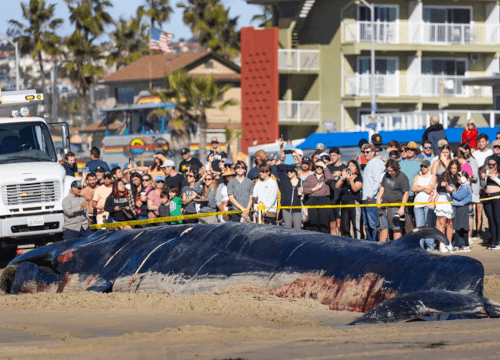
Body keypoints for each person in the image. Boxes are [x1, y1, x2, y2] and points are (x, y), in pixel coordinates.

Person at [376, 159, 410, 242]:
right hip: (385, 206)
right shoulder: (386, 175)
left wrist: (402, 207)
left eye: (391, 171)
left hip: (396, 207)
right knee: (383, 228)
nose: (390, 172)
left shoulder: (402, 177)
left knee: (397, 229)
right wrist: (378, 198)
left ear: (396, 169)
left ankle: (397, 249)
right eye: (388, 170)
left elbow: (406, 193)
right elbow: (382, 187)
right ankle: (381, 248)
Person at [303, 160, 335, 234]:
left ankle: (325, 242)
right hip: (312, 200)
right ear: (314, 167)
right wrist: (314, 189)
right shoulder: (310, 177)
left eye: (321, 167)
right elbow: (304, 190)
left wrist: (324, 166)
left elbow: (331, 178)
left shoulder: (326, 176)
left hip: (324, 199)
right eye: (317, 166)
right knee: (314, 224)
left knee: (324, 224)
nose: (319, 168)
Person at [361, 144, 385, 241]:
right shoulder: (369, 163)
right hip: (365, 198)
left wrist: (371, 195)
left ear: (373, 152)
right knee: (367, 224)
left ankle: (375, 244)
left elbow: (377, 181)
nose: (365, 154)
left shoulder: (377, 163)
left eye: (367, 152)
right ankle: (370, 244)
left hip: (372, 199)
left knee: (373, 224)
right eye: (364, 152)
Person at [435, 159, 459, 252]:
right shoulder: (444, 175)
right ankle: (442, 244)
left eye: (455, 168)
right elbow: (438, 188)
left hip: (452, 199)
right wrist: (442, 184)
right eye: (452, 168)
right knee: (442, 222)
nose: (453, 170)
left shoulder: (458, 177)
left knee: (450, 223)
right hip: (443, 198)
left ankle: (448, 243)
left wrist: (455, 188)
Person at [412, 160, 437, 250]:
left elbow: (430, 189)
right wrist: (424, 187)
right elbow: (413, 188)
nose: (423, 168)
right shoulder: (417, 177)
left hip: (428, 203)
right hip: (418, 203)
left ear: (429, 167)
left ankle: (430, 246)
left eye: (425, 166)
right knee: (420, 227)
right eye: (422, 166)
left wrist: (420, 188)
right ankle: (421, 247)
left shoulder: (432, 177)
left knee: (429, 225)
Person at [335, 160, 363, 238]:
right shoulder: (345, 179)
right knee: (345, 226)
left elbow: (355, 189)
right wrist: (342, 178)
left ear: (356, 169)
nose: (350, 167)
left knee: (356, 226)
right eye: (349, 166)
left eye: (353, 166)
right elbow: (337, 186)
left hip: (354, 203)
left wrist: (350, 180)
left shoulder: (358, 178)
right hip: (344, 204)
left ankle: (359, 242)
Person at [449, 171, 472, 252]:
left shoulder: (466, 186)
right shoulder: (463, 186)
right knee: (459, 226)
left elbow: (459, 196)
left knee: (461, 227)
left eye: (459, 179)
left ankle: (464, 245)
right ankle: (459, 244)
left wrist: (452, 191)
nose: (457, 181)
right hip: (460, 208)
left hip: (462, 208)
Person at [481, 156, 500, 249]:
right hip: (487, 197)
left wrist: (495, 178)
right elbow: (484, 184)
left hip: (497, 197)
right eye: (490, 164)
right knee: (491, 220)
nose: (491, 166)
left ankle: (498, 241)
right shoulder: (488, 172)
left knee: (497, 219)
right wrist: (483, 177)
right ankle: (493, 240)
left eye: (493, 164)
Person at [400, 141, 421, 222]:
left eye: (411, 150)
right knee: (401, 219)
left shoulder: (419, 164)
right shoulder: (400, 164)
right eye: (407, 149)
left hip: (413, 194)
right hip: (401, 194)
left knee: (413, 219)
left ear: (415, 151)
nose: (409, 151)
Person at [276, 164, 303, 229]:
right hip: (286, 209)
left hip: (297, 209)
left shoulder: (301, 182)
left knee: (298, 230)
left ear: (295, 172)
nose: (289, 173)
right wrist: (291, 166)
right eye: (287, 171)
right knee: (287, 230)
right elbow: (278, 167)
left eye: (291, 171)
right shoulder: (284, 179)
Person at [327, 147, 346, 235]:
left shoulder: (344, 167)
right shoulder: (328, 168)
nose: (332, 157)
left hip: (340, 199)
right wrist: (333, 175)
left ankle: (340, 242)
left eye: (334, 155)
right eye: (330, 155)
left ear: (339, 156)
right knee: (332, 224)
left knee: (339, 224)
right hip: (330, 198)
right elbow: (324, 180)